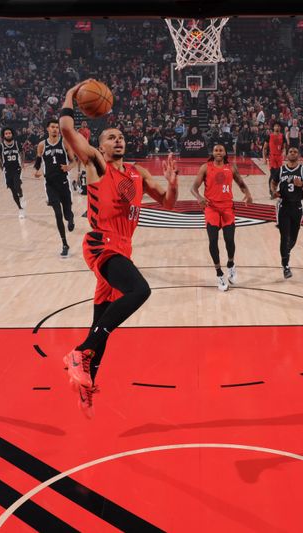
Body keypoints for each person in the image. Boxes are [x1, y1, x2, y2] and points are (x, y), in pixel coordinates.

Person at [58, 82, 179, 418]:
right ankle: (79, 353)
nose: (118, 140)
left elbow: (167, 204)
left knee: (102, 329)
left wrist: (173, 183)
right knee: (140, 290)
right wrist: (71, 94)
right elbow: (67, 127)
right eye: (110, 136)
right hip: (101, 244)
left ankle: (85, 388)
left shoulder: (137, 173)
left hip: (122, 249)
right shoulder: (97, 164)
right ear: (99, 145)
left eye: (120, 136)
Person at [190, 144, 253, 291]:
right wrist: (199, 197)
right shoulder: (205, 167)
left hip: (227, 208)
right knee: (213, 241)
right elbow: (193, 188)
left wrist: (248, 194)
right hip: (211, 208)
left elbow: (241, 184)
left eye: (221, 150)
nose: (218, 152)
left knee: (229, 240)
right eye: (216, 150)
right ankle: (219, 273)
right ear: (213, 152)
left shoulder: (231, 168)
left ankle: (231, 264)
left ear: (225, 153)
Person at [269, 146, 303, 279]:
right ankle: (285, 265)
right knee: (284, 236)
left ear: (298, 155)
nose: (293, 153)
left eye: (295, 152)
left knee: (293, 239)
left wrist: (302, 185)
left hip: (297, 208)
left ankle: (286, 253)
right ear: (286, 154)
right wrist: (274, 191)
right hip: (283, 206)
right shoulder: (281, 170)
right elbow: (273, 183)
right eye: (290, 151)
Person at [34, 119, 77, 257]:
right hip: (50, 184)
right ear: (47, 129)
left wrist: (69, 167)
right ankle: (65, 244)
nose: (55, 129)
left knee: (66, 214)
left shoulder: (64, 143)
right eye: (52, 127)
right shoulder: (42, 145)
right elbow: (38, 161)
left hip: (64, 182)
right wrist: (37, 170)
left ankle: (71, 218)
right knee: (57, 214)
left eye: (57, 127)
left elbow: (74, 160)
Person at [0, 127, 25, 219]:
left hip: (17, 168)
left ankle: (21, 195)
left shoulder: (16, 144)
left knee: (17, 186)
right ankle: (20, 209)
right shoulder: (0, 146)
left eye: (9, 133)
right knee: (13, 190)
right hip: (8, 171)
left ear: (12, 134)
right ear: (4, 135)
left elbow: (22, 152)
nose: (8, 135)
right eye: (6, 133)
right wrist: (2, 168)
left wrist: (23, 163)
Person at [263, 123, 286, 199]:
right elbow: (265, 148)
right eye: (275, 125)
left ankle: (278, 191)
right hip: (272, 157)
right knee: (273, 175)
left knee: (280, 176)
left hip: (279, 157)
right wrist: (264, 158)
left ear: (280, 127)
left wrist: (284, 153)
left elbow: (284, 147)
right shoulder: (269, 136)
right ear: (273, 127)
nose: (277, 127)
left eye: (278, 126)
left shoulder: (282, 136)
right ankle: (272, 192)